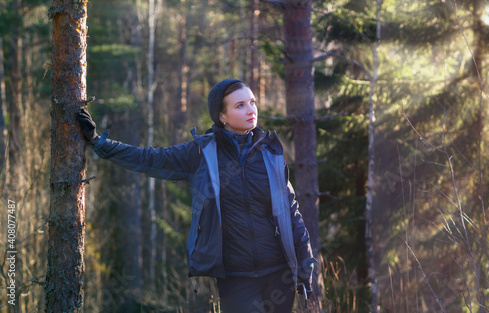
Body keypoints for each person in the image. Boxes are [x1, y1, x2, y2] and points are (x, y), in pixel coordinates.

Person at [76, 78, 315, 313]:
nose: (251, 110)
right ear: (221, 116)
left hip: (278, 273)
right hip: (236, 278)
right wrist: (100, 143)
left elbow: (291, 212)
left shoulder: (270, 152)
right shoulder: (201, 153)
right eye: (240, 105)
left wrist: (305, 265)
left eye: (252, 102)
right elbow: (149, 158)